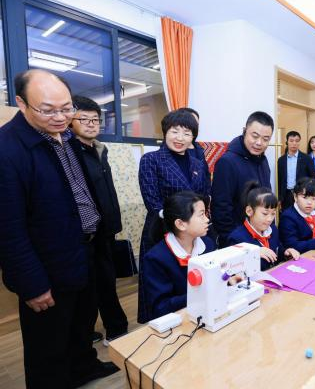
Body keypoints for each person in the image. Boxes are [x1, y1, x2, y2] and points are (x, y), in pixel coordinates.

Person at [0, 69, 118, 388]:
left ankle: (83, 368)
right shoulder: (8, 149)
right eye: (48, 110)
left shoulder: (66, 136)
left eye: (66, 108)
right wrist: (31, 285)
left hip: (83, 249)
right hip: (47, 264)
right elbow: (7, 229)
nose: (60, 117)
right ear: (21, 103)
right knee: (48, 344)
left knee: (82, 323)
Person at [138, 109, 206, 322]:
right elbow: (152, 201)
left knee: (193, 284)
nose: (180, 138)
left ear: (193, 137)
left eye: (187, 133)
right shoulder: (151, 159)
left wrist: (197, 223)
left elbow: (204, 195)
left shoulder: (198, 163)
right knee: (161, 292)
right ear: (165, 131)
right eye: (175, 131)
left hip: (192, 235)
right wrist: (180, 224)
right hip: (161, 231)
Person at [70, 95, 128, 345]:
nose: (91, 124)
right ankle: (104, 330)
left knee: (105, 281)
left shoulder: (99, 149)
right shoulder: (70, 152)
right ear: (71, 121)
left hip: (106, 228)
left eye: (95, 119)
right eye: (84, 119)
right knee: (90, 284)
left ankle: (112, 329)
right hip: (84, 232)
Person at [142, 191, 215, 321]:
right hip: (178, 322)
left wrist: (227, 280)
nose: (207, 219)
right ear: (181, 224)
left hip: (207, 312)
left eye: (206, 214)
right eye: (201, 215)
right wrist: (200, 294)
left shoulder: (208, 244)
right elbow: (160, 308)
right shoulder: (156, 258)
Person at [211, 111, 273, 246]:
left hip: (261, 237)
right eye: (254, 136)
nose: (259, 143)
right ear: (245, 131)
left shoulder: (263, 161)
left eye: (265, 139)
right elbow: (221, 208)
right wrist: (233, 241)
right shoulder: (227, 162)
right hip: (238, 241)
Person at [227, 182, 300, 270]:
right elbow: (234, 267)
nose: (270, 219)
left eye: (273, 214)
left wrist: (285, 252)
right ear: (249, 211)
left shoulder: (273, 229)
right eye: (265, 214)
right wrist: (254, 253)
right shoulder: (237, 238)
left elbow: (277, 250)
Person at [277, 130, 315, 210]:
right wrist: (280, 198)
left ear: (299, 142)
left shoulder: (306, 159)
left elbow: (313, 177)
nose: (294, 143)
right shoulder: (281, 160)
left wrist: (309, 194)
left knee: (301, 215)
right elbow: (279, 180)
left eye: (297, 141)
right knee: (286, 215)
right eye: (291, 141)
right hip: (286, 195)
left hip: (302, 195)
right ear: (287, 142)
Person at [178, 107, 212, 197]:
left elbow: (206, 174)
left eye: (196, 124)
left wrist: (208, 195)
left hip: (201, 198)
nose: (195, 127)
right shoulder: (175, 148)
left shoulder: (198, 148)